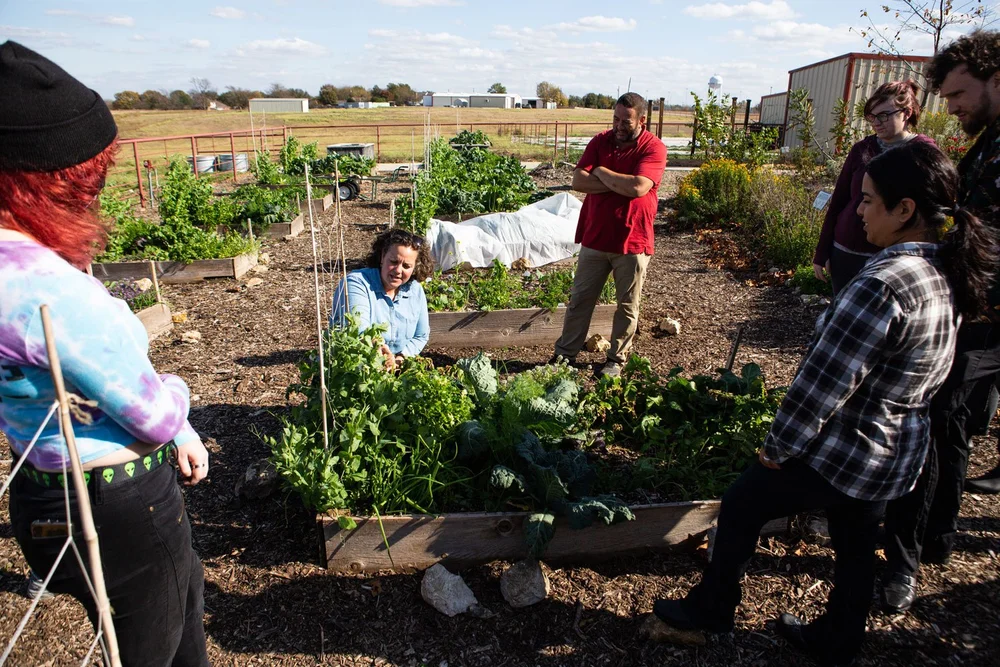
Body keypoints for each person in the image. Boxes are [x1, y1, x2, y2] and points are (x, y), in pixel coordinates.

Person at [652, 141, 996, 667]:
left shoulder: (884, 284)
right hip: (897, 451)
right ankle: (840, 638)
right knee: (855, 541)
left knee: (743, 504)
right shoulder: (945, 271)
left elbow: (825, 383)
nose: (857, 211)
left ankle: (712, 609)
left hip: (849, 449)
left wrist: (778, 448)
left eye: (868, 200)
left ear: (905, 210)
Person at [0, 41, 210, 665]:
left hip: (40, 487)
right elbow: (154, 416)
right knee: (157, 646)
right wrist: (178, 392)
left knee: (176, 598)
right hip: (117, 504)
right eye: (87, 180)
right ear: (48, 180)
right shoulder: (48, 290)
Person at [881, 29, 1000, 613]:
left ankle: (900, 564)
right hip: (977, 312)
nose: (951, 107)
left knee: (926, 426)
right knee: (951, 426)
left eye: (957, 94)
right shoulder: (990, 143)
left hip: (982, 316)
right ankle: (936, 539)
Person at [551, 92, 668, 378]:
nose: (618, 125)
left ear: (642, 120)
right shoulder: (600, 141)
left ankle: (616, 358)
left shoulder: (654, 148)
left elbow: (639, 187)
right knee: (580, 300)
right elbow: (578, 181)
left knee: (627, 306)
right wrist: (618, 183)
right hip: (595, 236)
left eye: (625, 121)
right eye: (615, 119)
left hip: (632, 240)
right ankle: (565, 354)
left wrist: (600, 171)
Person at [813, 81, 936, 294]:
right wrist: (822, 251)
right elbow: (839, 201)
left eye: (884, 115)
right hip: (847, 250)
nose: (876, 123)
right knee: (845, 308)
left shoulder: (923, 151)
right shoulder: (862, 149)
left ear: (906, 113)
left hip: (894, 255)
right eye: (872, 116)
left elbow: (932, 207)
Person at [330, 228, 432, 370]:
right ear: (383, 256)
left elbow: (421, 335)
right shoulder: (357, 283)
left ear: (414, 267)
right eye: (394, 262)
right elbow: (358, 329)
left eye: (406, 266)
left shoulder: (415, 290)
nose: (398, 270)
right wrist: (379, 349)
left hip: (398, 369)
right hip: (358, 369)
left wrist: (401, 358)